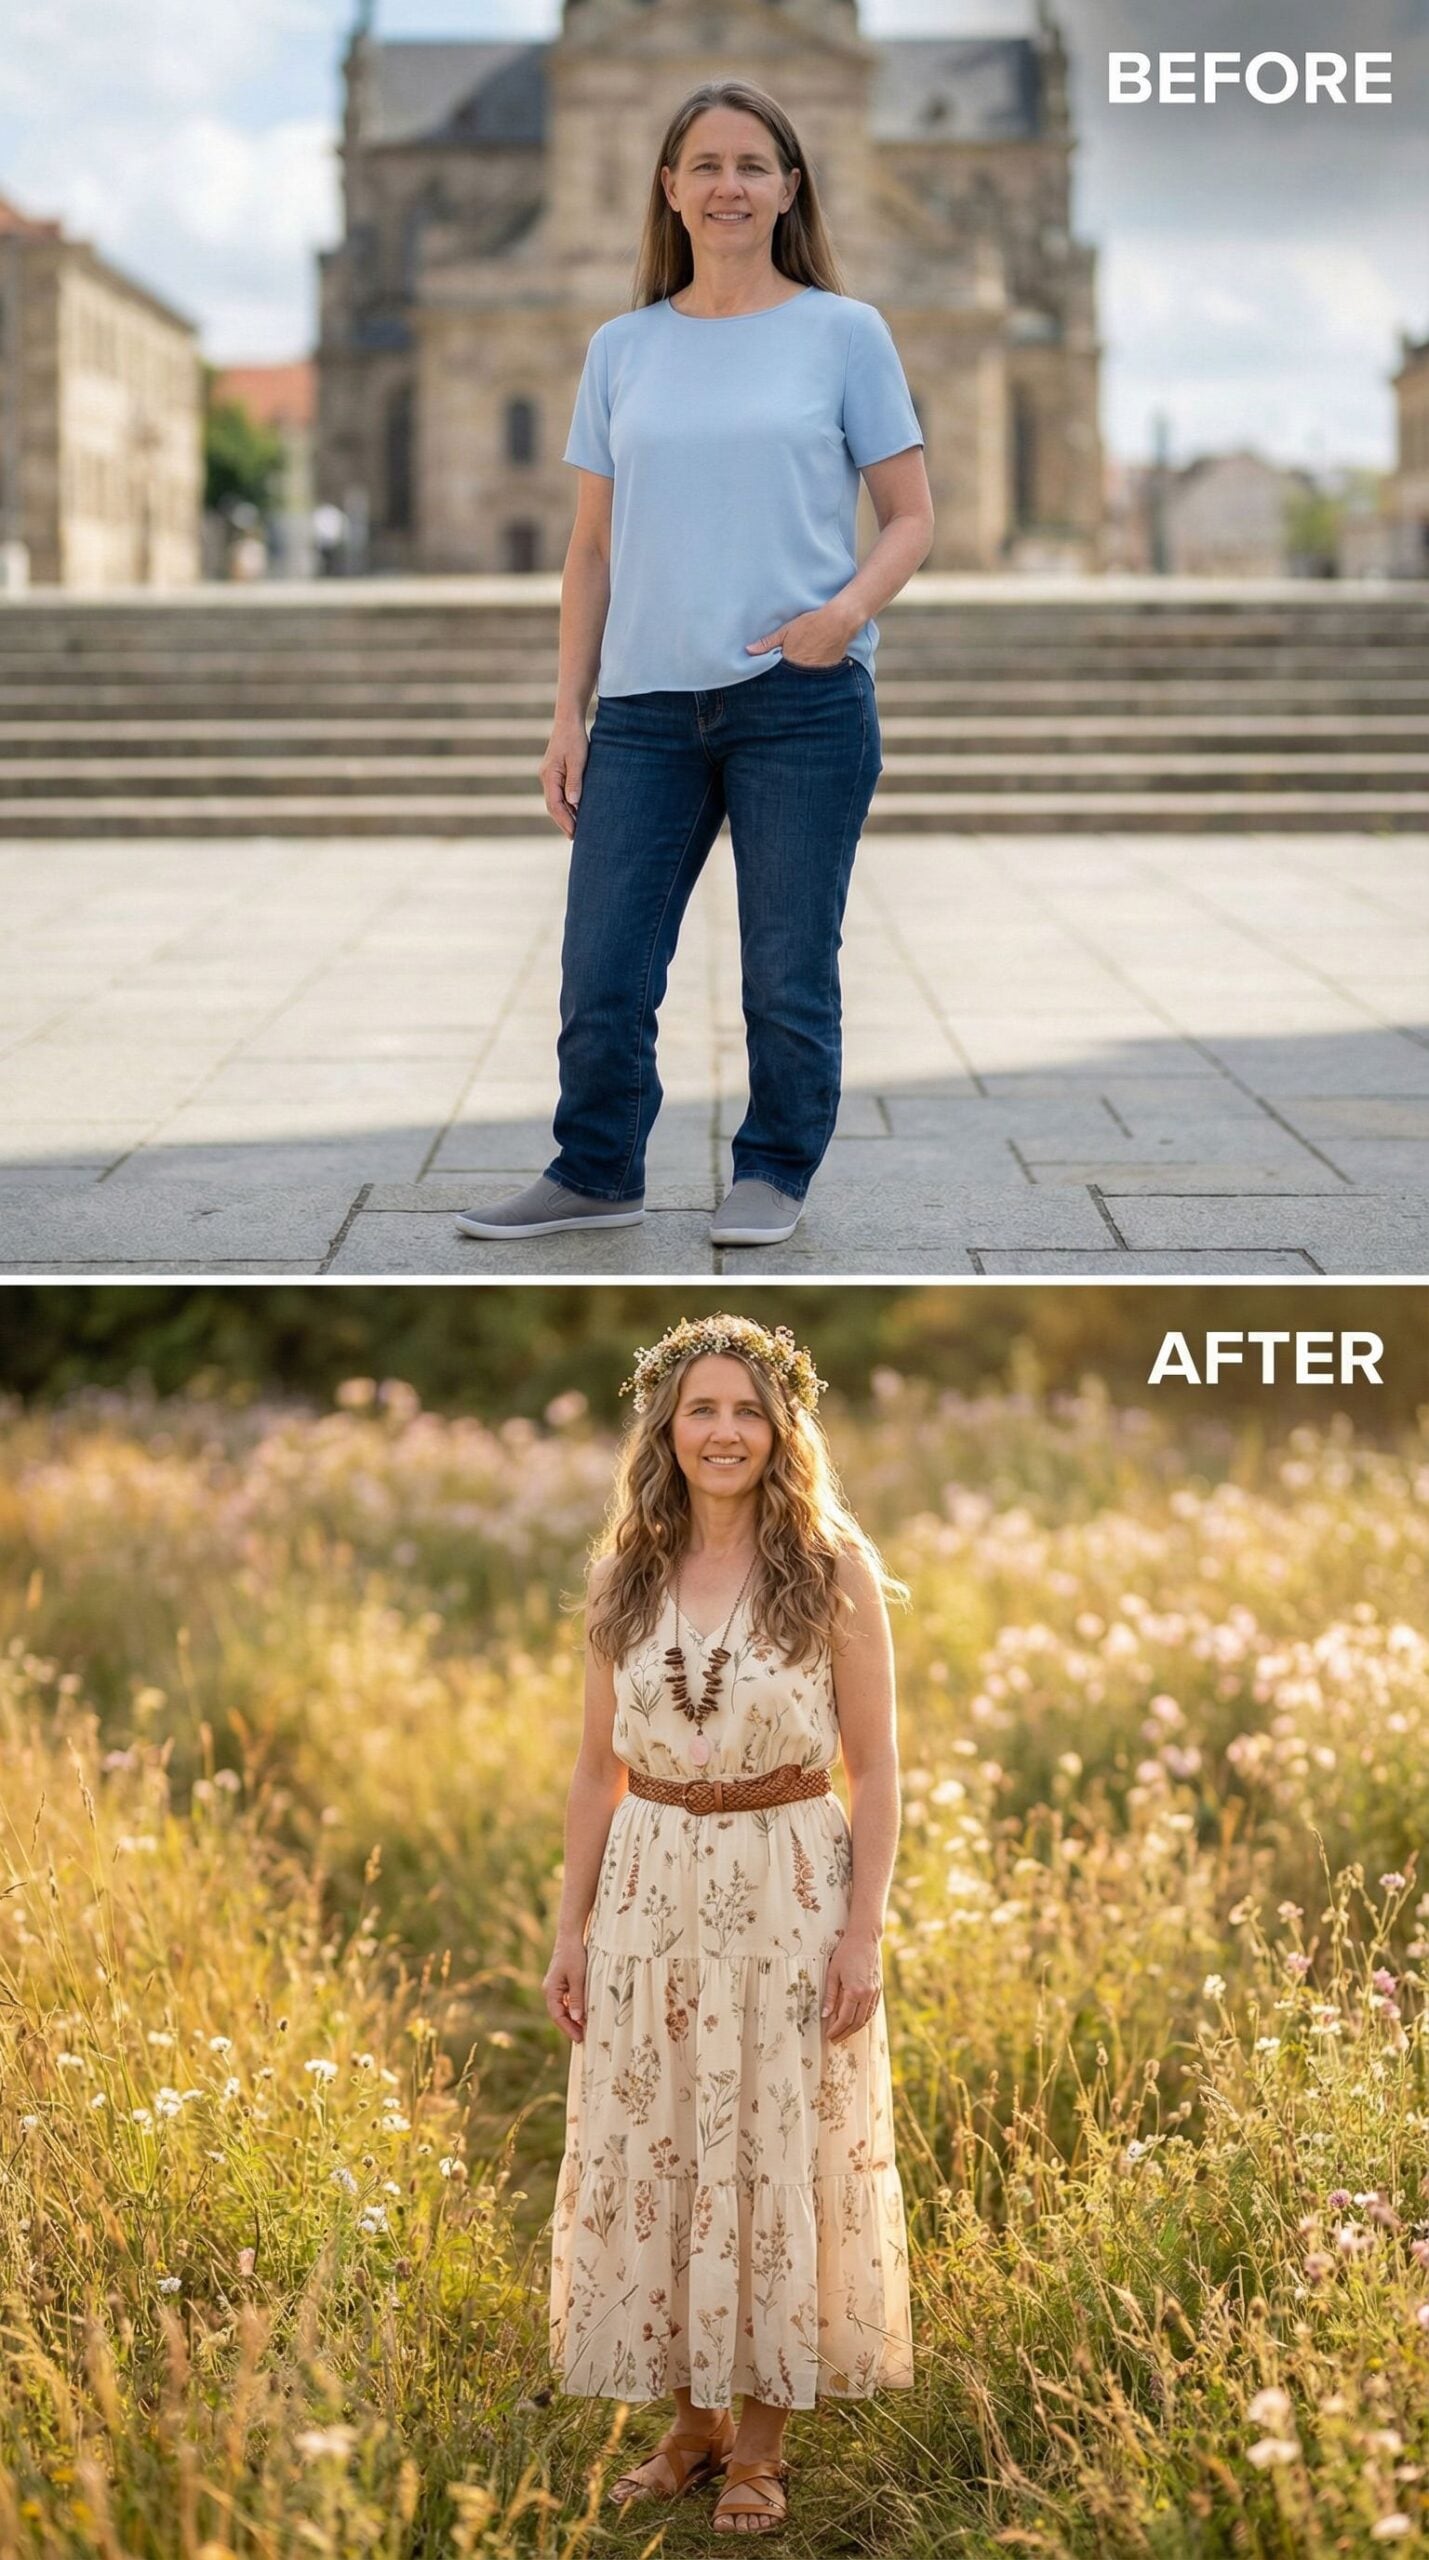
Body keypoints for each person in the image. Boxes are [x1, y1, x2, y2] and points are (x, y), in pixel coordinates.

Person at [457, 79, 934, 1254]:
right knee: (602, 970)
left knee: (785, 969)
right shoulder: (623, 347)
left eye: (752, 165)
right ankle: (595, 1168)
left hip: (800, 702)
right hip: (644, 710)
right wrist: (568, 712)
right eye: (705, 165)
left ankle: (772, 1171)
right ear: (667, 187)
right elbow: (589, 547)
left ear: (788, 188)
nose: (728, 186)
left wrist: (842, 616)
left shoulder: (843, 331)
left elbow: (912, 517)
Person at [543, 1314, 915, 2534]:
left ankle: (759, 2439)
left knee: (769, 2141)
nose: (723, 1430)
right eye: (701, 1408)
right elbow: (594, 1773)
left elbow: (877, 1768)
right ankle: (689, 2425)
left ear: (781, 1428)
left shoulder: (833, 1567)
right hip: (650, 1889)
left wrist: (861, 1932)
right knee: (664, 2143)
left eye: (748, 1410)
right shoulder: (623, 1574)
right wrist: (570, 1932)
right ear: (666, 1424)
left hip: (786, 1885)